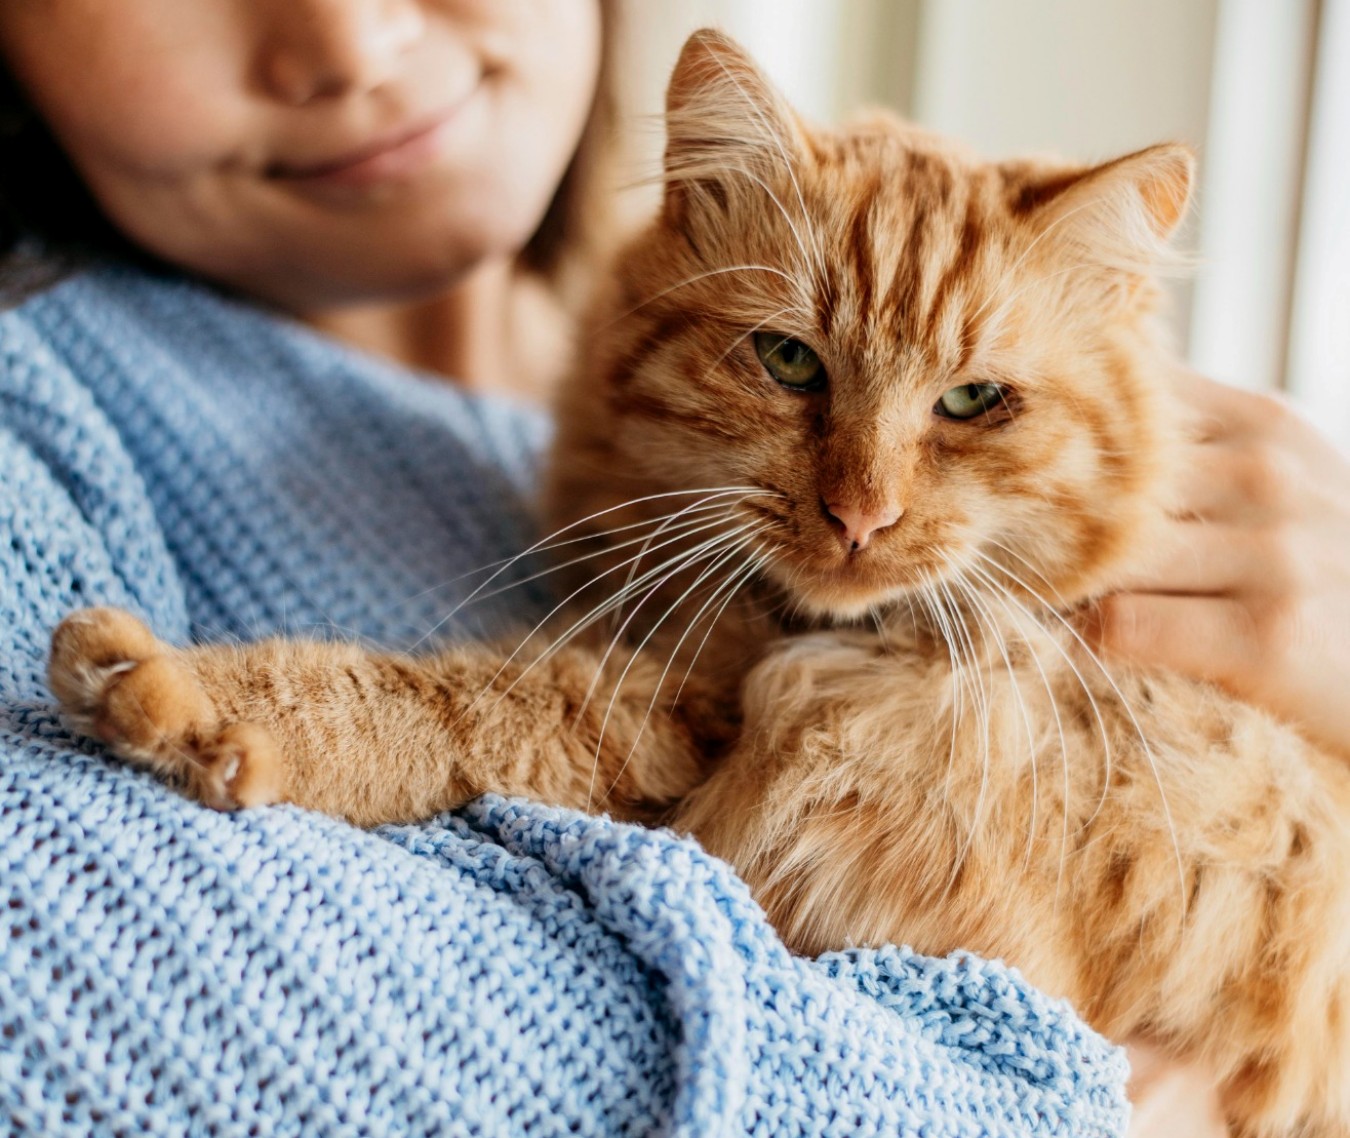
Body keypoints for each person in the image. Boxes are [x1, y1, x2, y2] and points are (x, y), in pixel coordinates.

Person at [0, 3, 1338, 1133]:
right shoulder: (42, 406)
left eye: (972, 404)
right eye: (788, 365)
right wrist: (1047, 1100)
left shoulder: (1261, 553)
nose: (860, 500)